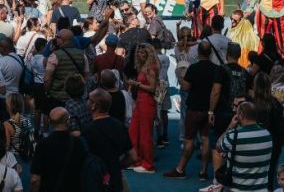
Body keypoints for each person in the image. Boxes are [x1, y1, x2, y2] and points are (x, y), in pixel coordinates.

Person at [164, 41, 226, 180]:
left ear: (198, 53)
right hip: (208, 109)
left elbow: (185, 87)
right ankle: (203, 171)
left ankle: (180, 169)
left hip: (194, 108)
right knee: (206, 140)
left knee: (189, 140)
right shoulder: (217, 69)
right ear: (210, 53)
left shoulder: (193, 68)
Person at [213, 101, 274, 192]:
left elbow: (218, 147)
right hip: (261, 189)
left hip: (237, 189)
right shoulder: (267, 134)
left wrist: (230, 127)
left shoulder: (234, 135)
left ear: (240, 115)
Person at [83, 89, 135, 190]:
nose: (87, 101)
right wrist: (116, 166)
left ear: (94, 106)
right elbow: (133, 157)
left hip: (95, 180)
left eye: (89, 99)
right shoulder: (120, 126)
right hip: (115, 178)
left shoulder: (87, 130)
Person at [30, 107, 87, 192]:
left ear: (49, 122)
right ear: (68, 121)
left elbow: (35, 179)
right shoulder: (78, 142)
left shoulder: (42, 144)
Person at [126, 44, 158, 173]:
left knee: (145, 134)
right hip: (140, 102)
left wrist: (136, 84)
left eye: (143, 53)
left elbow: (153, 88)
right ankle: (137, 160)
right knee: (133, 131)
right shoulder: (143, 67)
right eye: (138, 53)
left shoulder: (150, 68)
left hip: (146, 102)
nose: (140, 55)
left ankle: (148, 164)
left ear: (148, 54)